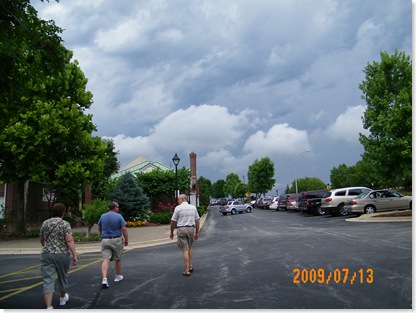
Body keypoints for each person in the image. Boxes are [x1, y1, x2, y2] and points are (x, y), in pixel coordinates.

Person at [40, 203, 77, 309]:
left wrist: (46, 247)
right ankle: (62, 297)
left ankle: (48, 307)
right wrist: (74, 254)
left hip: (47, 254)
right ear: (63, 212)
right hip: (62, 253)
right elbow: (69, 240)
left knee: (48, 279)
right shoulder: (65, 224)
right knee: (62, 275)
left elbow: (42, 239)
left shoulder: (45, 223)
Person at [97, 201, 129, 288]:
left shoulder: (103, 216)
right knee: (117, 258)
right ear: (115, 207)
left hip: (105, 240)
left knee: (105, 259)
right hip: (116, 239)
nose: (118, 208)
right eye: (118, 207)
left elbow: (99, 227)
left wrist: (102, 234)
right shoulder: (119, 216)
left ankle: (104, 278)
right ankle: (117, 276)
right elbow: (124, 229)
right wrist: (126, 240)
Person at [170, 194, 200, 276]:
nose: (177, 201)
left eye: (178, 199)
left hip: (181, 229)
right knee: (190, 247)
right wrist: (197, 232)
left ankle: (187, 270)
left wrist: (171, 232)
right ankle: (190, 266)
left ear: (183, 199)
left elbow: (173, 221)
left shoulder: (178, 208)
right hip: (191, 229)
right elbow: (197, 220)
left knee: (185, 250)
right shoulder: (193, 208)